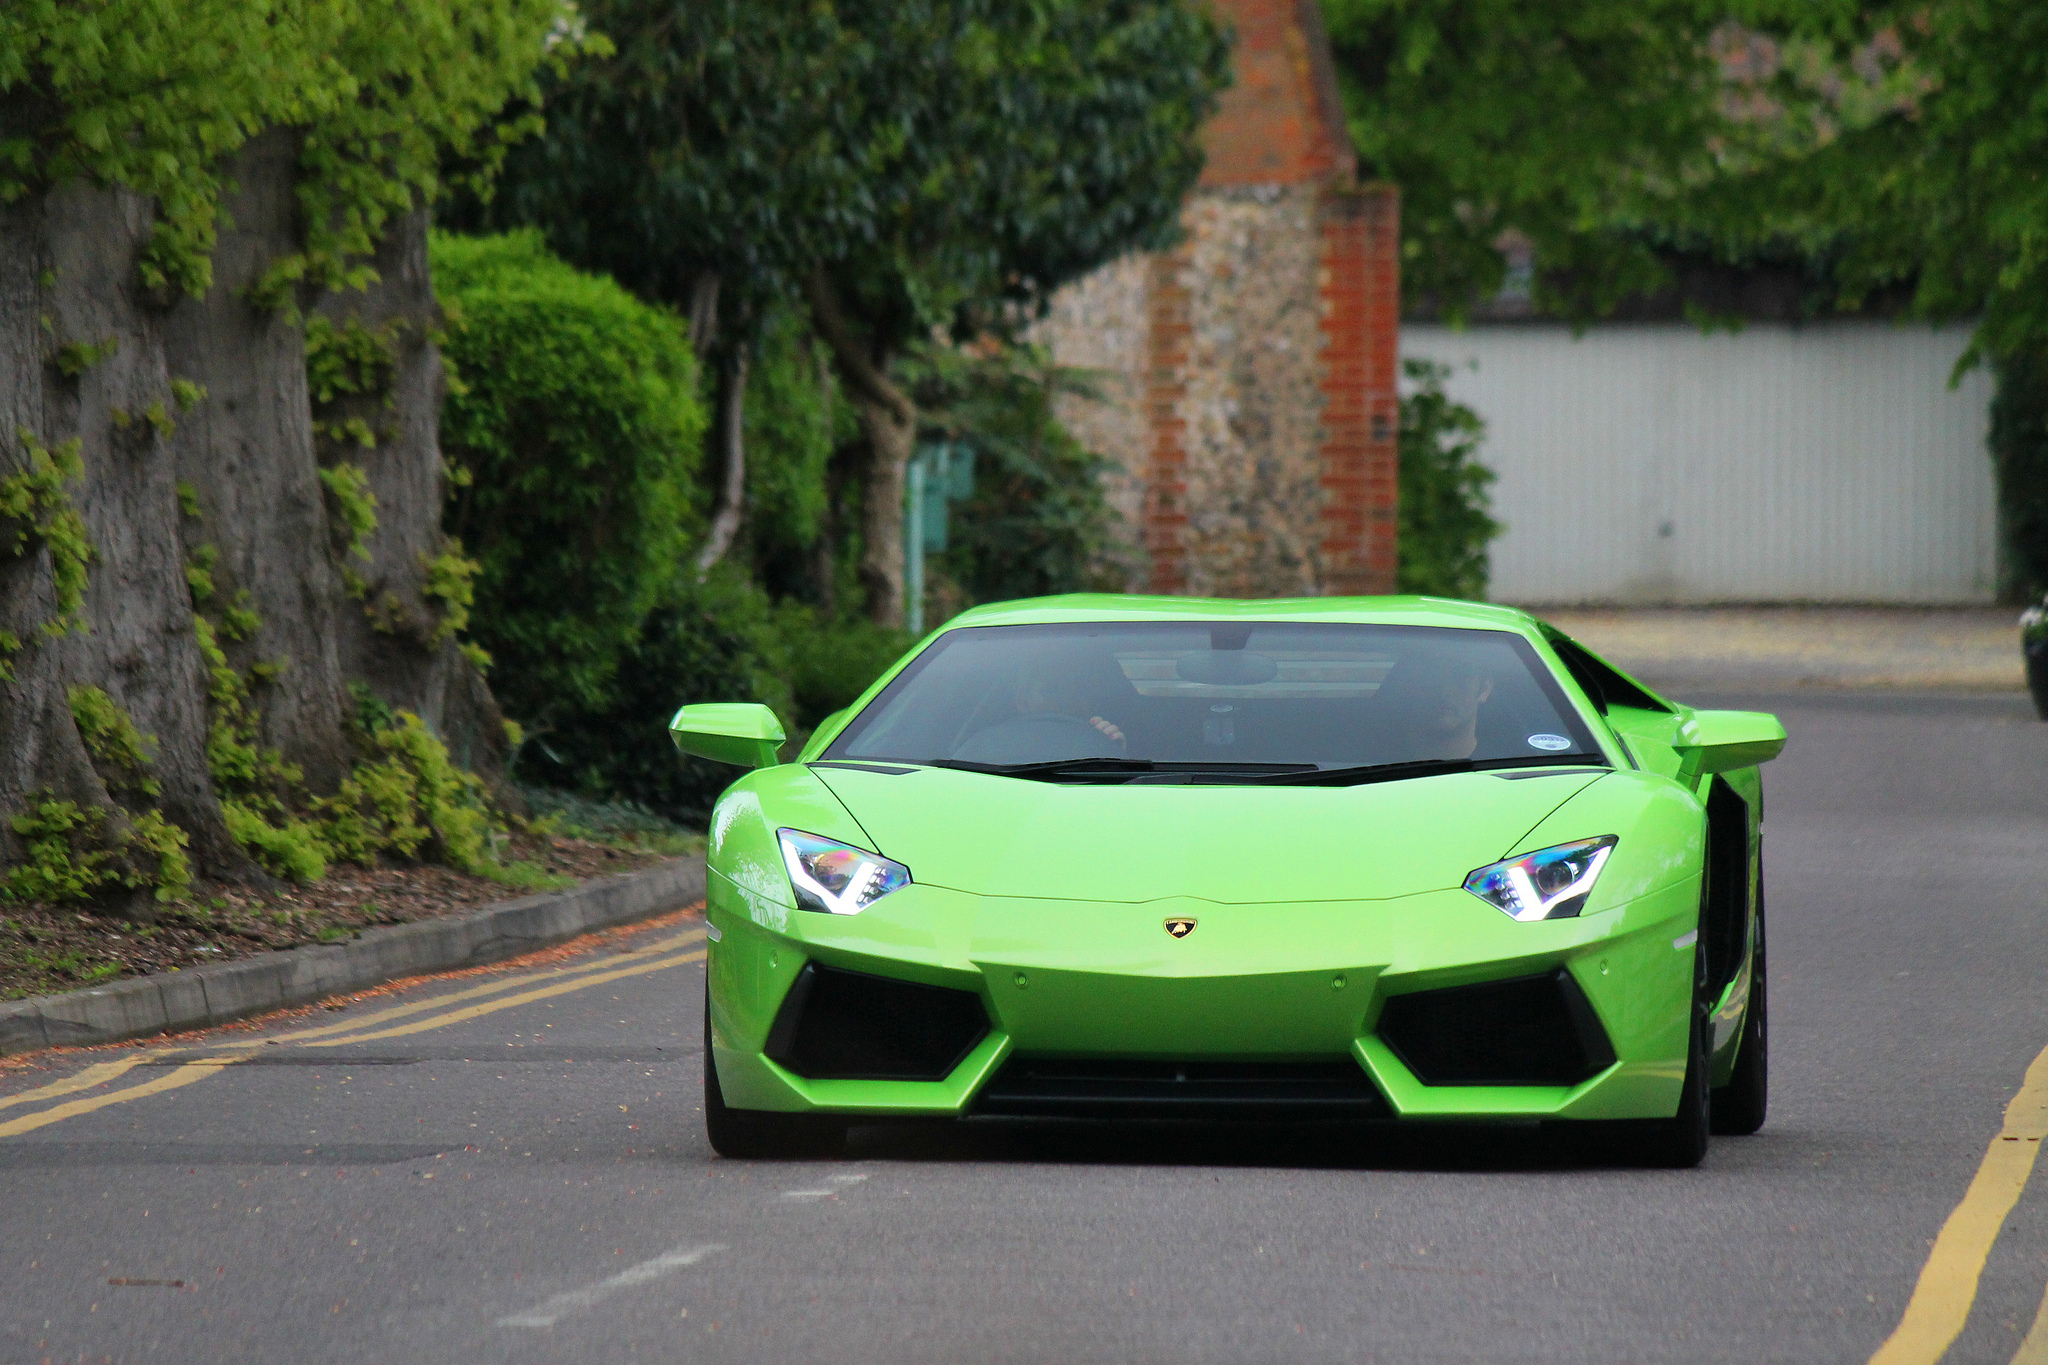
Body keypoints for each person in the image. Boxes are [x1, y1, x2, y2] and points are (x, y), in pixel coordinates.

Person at [1367, 650, 1494, 761]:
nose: (1445, 691)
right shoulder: (1363, 765)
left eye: (1462, 677)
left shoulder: (1508, 767)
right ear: (1409, 687)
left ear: (1485, 689)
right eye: (1432, 676)